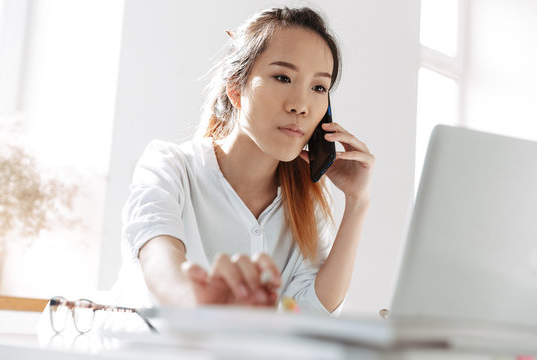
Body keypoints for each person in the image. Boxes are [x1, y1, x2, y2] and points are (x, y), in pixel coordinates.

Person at [116, 6, 374, 315]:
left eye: (319, 87)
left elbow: (309, 309)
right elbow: (160, 268)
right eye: (282, 77)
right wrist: (199, 300)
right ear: (236, 89)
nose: (301, 105)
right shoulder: (168, 168)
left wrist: (357, 203)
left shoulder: (305, 201)